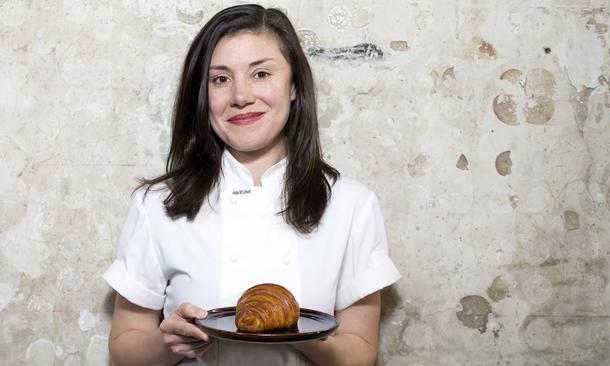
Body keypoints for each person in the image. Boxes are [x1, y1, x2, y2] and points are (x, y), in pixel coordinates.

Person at [103, 4, 400, 365]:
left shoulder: (351, 204)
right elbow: (124, 347)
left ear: (294, 86)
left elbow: (361, 353)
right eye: (220, 79)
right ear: (203, 95)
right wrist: (170, 342)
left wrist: (300, 335)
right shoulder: (157, 204)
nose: (240, 96)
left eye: (261, 73)